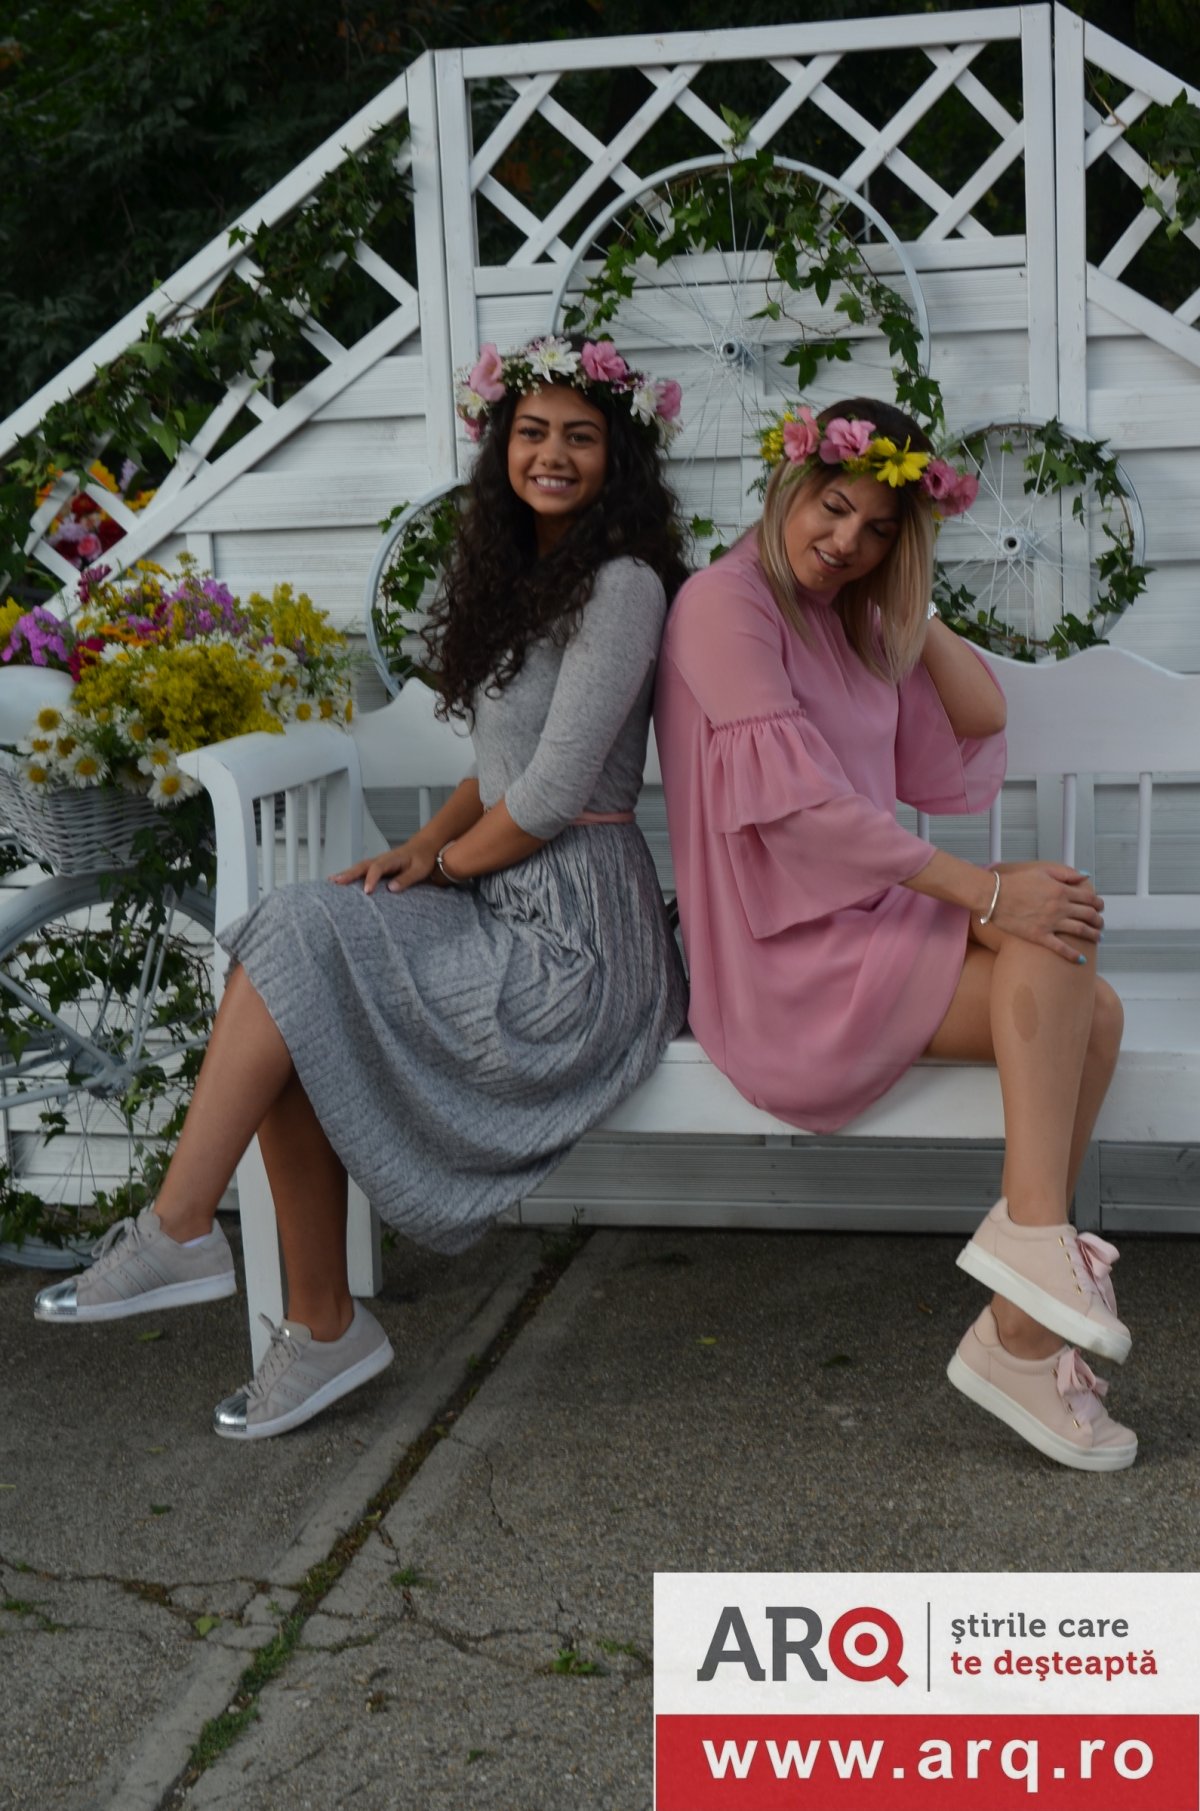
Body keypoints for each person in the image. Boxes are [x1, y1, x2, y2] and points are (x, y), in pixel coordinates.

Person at [35, 335, 690, 1440]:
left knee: (300, 954)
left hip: (579, 941)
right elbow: (499, 771)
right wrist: (424, 844)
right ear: (502, 445)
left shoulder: (622, 585)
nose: (553, 453)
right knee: (297, 958)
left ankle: (194, 1236)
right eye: (532, 431)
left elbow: (550, 795)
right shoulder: (525, 577)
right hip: (503, 896)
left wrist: (445, 865)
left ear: (616, 456)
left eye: (581, 436)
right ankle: (292, 1304)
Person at [654, 396, 1133, 1473]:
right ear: (789, 484)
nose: (846, 542)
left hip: (865, 923)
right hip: (782, 962)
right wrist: (985, 895)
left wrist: (904, 592)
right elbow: (805, 815)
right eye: (832, 509)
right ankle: (1025, 1303)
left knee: (1072, 960)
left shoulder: (852, 613)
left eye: (879, 529)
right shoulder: (722, 606)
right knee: (1052, 941)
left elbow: (976, 717)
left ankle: (1024, 1292)